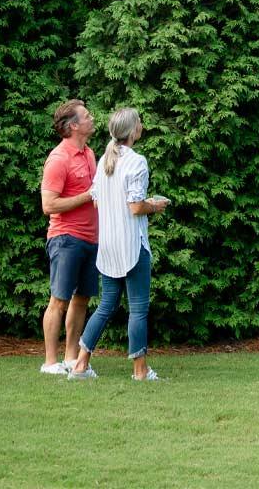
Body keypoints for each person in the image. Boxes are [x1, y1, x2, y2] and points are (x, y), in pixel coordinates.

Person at [69, 107, 169, 381]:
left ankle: (80, 365)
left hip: (108, 247)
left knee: (105, 307)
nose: (142, 126)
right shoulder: (137, 162)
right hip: (132, 246)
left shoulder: (104, 162)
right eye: (139, 123)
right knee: (138, 309)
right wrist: (155, 205)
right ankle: (140, 370)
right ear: (133, 130)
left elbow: (99, 201)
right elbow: (136, 207)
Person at [39, 99, 99, 375]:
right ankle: (50, 363)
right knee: (59, 300)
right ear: (74, 125)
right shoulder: (58, 159)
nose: (92, 118)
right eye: (86, 116)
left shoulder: (89, 154)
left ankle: (71, 358)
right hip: (65, 238)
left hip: (90, 238)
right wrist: (88, 196)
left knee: (82, 299)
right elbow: (49, 205)